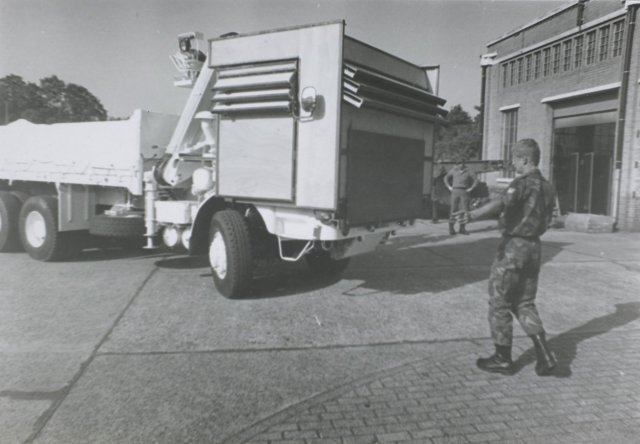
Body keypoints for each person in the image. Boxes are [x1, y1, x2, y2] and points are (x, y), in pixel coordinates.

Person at [454, 139, 557, 376]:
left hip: (513, 247)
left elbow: (502, 202)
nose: (513, 164)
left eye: (515, 159)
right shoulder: (548, 186)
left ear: (525, 159)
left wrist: (473, 214)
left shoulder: (522, 183)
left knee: (499, 302)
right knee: (525, 302)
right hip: (534, 248)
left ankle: (502, 358)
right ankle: (545, 355)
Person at [444, 159, 478, 235]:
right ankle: (451, 228)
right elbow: (446, 178)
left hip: (464, 192)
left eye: (461, 163)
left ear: (464, 164)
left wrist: (471, 188)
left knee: (464, 210)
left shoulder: (469, 171)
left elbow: (476, 180)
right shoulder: (453, 170)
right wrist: (449, 187)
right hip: (455, 191)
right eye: (458, 163)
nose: (460, 165)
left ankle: (462, 229)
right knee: (453, 209)